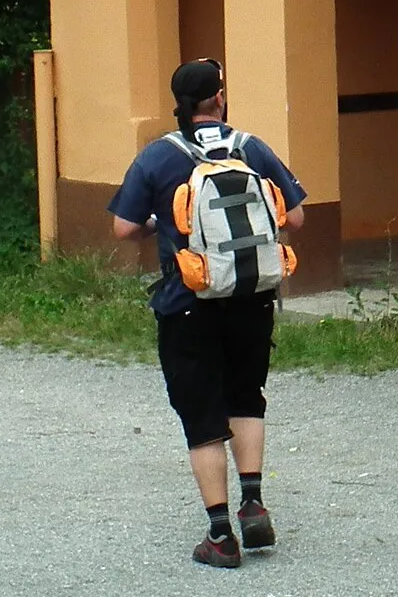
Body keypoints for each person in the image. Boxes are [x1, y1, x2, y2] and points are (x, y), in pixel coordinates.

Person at [110, 59, 307, 568]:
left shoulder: (158, 157)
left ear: (180, 103)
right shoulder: (252, 147)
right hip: (252, 298)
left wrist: (160, 223)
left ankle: (220, 535)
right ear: (219, 98)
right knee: (246, 397)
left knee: (201, 415)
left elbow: (123, 228)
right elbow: (298, 215)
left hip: (187, 305)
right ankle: (253, 502)